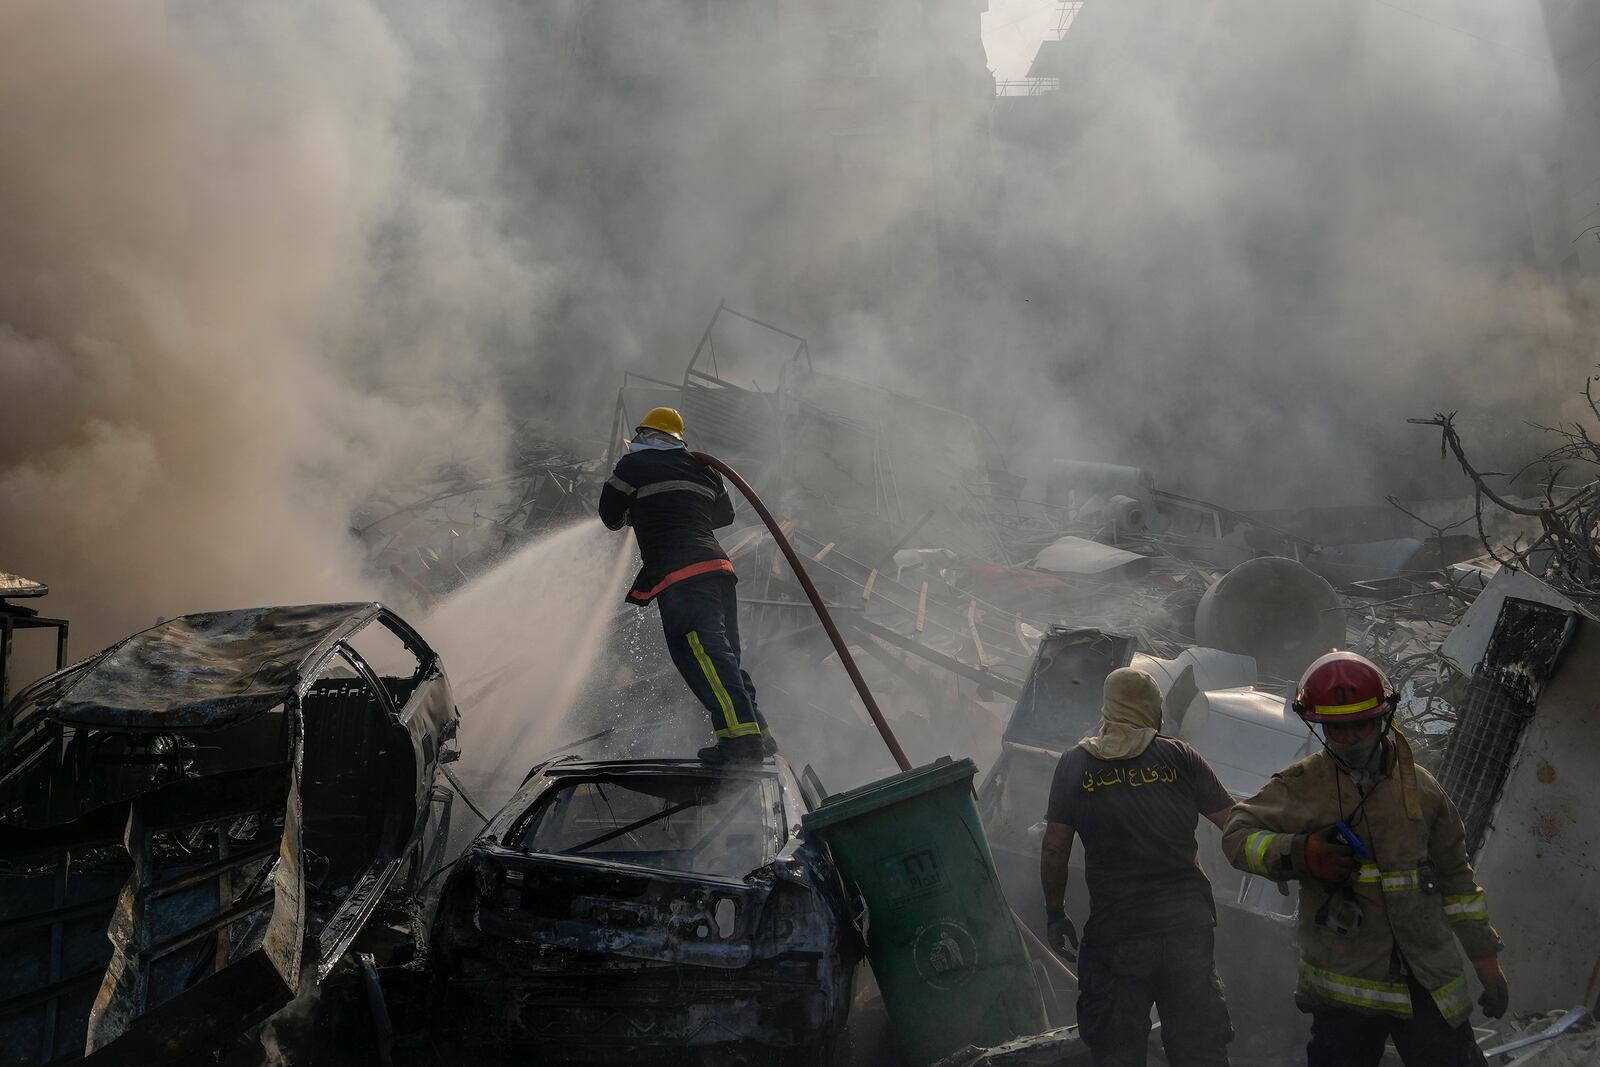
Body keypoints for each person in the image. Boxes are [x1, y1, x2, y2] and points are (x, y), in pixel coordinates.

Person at [1222, 650, 1508, 1067]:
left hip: (1425, 983)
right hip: (1346, 992)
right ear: (1319, 726)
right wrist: (1301, 853)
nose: (1353, 737)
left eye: (1362, 724)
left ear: (1383, 717)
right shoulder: (1303, 785)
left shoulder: (1421, 790)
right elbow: (1236, 835)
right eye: (1339, 730)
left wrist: (1486, 960)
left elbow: (1456, 881)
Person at [1040, 667, 1236, 1067]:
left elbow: (1055, 848)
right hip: (1186, 928)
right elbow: (1234, 822)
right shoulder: (1180, 756)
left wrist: (1055, 913)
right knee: (1199, 1049)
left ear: (1108, 708)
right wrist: (1282, 856)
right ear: (1154, 709)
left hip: (1118, 934)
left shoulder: (1076, 765)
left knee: (1116, 1050)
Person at [598, 407, 773, 762]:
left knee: (701, 653)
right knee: (723, 655)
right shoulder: (702, 467)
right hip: (719, 570)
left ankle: (740, 740)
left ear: (645, 436)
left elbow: (609, 514)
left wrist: (642, 512)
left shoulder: (633, 467)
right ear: (677, 439)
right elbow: (724, 515)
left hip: (682, 574)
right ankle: (760, 733)